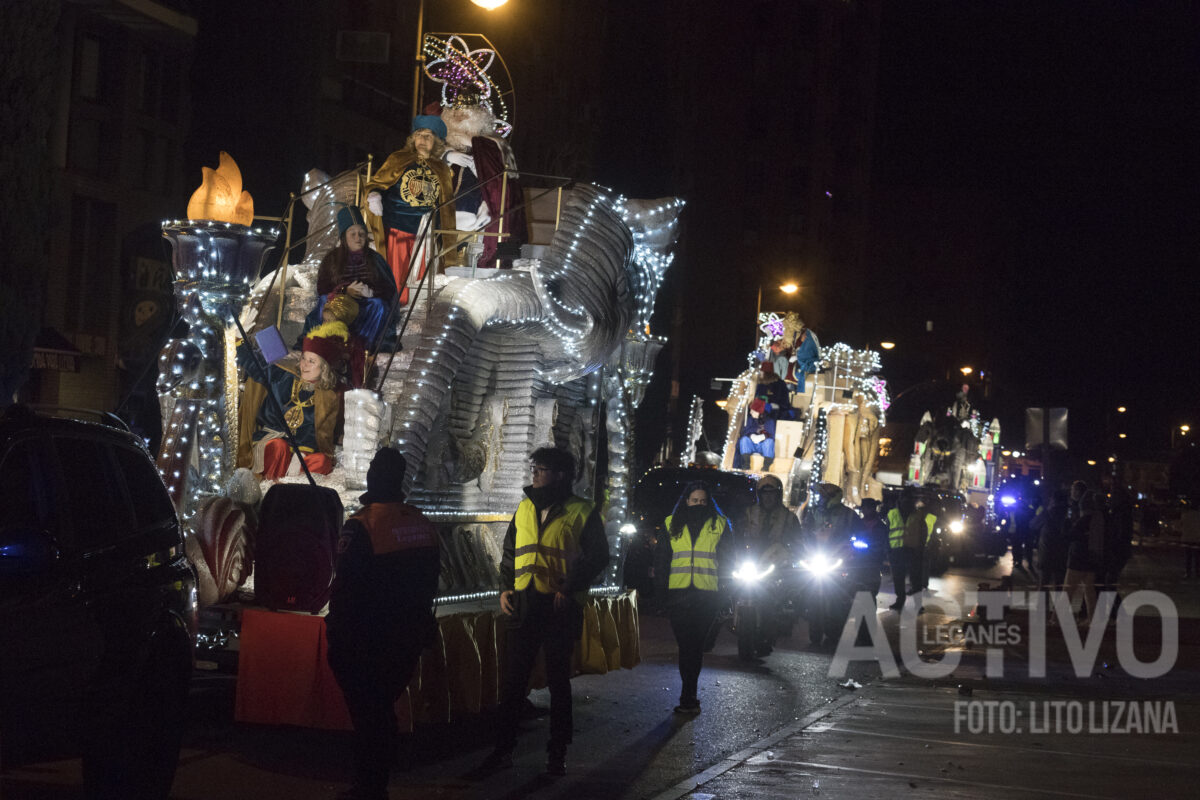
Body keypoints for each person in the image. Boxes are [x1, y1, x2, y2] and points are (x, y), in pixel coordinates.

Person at [481, 447, 608, 777]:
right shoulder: (524, 506)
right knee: (513, 682)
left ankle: (557, 751)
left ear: (561, 475)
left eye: (542, 468)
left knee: (557, 682)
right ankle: (503, 749)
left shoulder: (582, 511)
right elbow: (510, 552)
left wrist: (569, 587)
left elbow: (598, 557)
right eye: (534, 467)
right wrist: (505, 587)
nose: (534, 472)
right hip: (524, 602)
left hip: (559, 606)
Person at [326, 448, 440, 800]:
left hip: (367, 639)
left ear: (376, 476)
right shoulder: (421, 522)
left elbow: (345, 589)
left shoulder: (363, 524)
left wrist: (336, 637)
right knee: (382, 709)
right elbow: (431, 581)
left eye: (373, 466)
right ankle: (377, 782)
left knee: (368, 716)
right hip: (407, 636)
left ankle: (370, 786)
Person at [654, 481, 734, 713]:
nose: (698, 505)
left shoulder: (720, 524)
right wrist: (661, 594)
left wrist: (725, 593)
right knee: (686, 646)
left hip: (707, 596)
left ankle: (688, 695)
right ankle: (688, 693)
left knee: (694, 646)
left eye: (702, 501)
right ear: (685, 501)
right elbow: (661, 562)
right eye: (694, 500)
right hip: (678, 595)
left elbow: (729, 560)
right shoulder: (671, 523)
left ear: (709, 503)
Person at [363, 115, 460, 305]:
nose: (422, 140)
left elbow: (447, 206)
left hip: (426, 234)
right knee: (395, 278)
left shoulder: (442, 169)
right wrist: (374, 194)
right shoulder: (398, 158)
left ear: (436, 142)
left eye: (428, 137)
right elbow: (377, 183)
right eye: (419, 135)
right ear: (413, 139)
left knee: (421, 283)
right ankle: (392, 314)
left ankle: (416, 315)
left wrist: (446, 238)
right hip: (397, 229)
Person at [236, 322, 345, 479]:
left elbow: (321, 435)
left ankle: (291, 485)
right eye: (303, 359)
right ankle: (271, 488)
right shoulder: (284, 376)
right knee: (279, 447)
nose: (304, 365)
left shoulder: (328, 397)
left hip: (300, 452)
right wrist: (240, 341)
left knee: (322, 461)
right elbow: (256, 366)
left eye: (312, 361)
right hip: (272, 441)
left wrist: (301, 453)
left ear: (324, 369)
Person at [304, 205, 399, 385]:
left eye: (361, 233)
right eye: (353, 234)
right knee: (325, 301)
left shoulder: (375, 259)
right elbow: (323, 288)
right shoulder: (332, 259)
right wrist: (343, 291)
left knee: (379, 305)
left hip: (365, 310)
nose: (358, 238)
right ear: (344, 237)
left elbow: (388, 289)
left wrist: (371, 293)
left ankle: (366, 346)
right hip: (338, 306)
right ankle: (329, 342)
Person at [440, 93, 527, 269]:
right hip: (448, 212)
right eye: (455, 112)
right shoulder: (443, 143)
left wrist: (477, 148)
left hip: (483, 211)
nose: (459, 116)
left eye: (466, 112)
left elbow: (505, 184)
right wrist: (447, 156)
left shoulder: (494, 143)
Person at [1061, 489, 1105, 625]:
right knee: (1090, 592)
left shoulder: (1084, 520)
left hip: (1078, 560)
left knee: (1067, 591)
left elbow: (1070, 537)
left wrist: (1068, 525)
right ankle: (1093, 619)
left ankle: (1056, 619)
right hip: (1092, 559)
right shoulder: (1099, 519)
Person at [1034, 488, 1070, 594]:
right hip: (1062, 556)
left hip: (1046, 554)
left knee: (1043, 586)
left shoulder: (1048, 513)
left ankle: (1042, 610)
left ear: (1053, 500)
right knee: (1059, 587)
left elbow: (1033, 525)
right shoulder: (1068, 514)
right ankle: (1058, 610)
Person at [735, 399, 776, 470]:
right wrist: (751, 435)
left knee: (769, 442)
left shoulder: (769, 421)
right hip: (752, 445)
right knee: (744, 440)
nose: (751, 412)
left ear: (759, 412)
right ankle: (746, 465)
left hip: (763, 447)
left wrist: (763, 436)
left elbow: (771, 435)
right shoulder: (750, 420)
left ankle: (766, 467)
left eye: (753, 411)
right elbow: (744, 432)